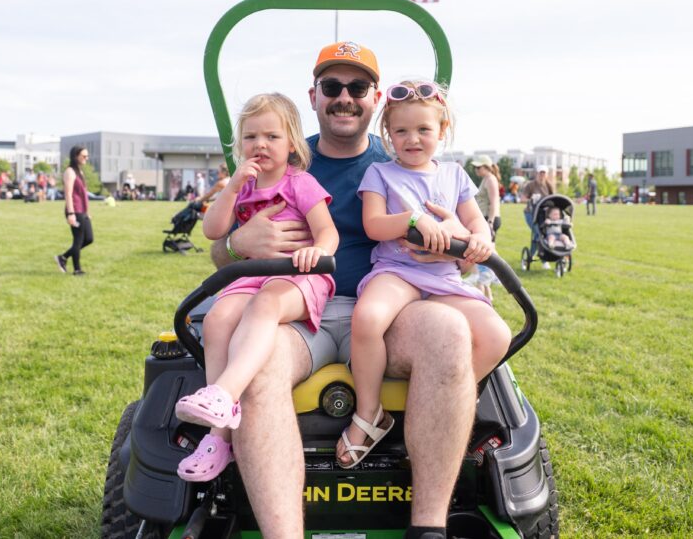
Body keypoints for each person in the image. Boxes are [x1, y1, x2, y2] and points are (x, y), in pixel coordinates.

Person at [211, 41, 500, 538]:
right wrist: (238, 244)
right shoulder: (281, 159)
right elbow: (218, 250)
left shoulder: (407, 161)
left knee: (450, 333)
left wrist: (456, 240)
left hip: (393, 308)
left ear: (375, 99)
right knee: (257, 362)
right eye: (332, 86)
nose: (344, 97)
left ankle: (428, 527)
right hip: (298, 312)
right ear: (314, 96)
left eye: (358, 87)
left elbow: (470, 238)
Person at [336, 81, 508, 469]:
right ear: (388, 133)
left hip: (443, 277)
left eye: (423, 130)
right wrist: (413, 219)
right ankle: (369, 412)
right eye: (401, 131)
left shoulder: (455, 175)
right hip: (398, 271)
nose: (412, 139)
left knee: (497, 335)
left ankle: (443, 405)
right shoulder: (380, 174)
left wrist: (479, 240)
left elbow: (476, 224)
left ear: (442, 130)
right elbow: (374, 225)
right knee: (368, 318)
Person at [175, 93, 339, 483]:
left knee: (264, 305)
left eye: (271, 136)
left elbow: (328, 232)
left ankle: (225, 391)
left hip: (298, 276)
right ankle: (219, 437)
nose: (260, 145)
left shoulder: (300, 183)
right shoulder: (243, 187)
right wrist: (231, 188)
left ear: (292, 143)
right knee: (216, 320)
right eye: (250, 137)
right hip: (252, 274)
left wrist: (317, 251)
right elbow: (213, 230)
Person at [55, 146, 93, 275]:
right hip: (75, 210)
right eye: (84, 156)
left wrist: (87, 211)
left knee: (89, 239)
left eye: (87, 156)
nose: (86, 158)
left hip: (82, 210)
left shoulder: (80, 172)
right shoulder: (70, 172)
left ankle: (63, 257)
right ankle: (77, 270)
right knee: (78, 240)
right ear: (76, 156)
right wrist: (71, 213)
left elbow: (83, 194)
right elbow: (68, 194)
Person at [468, 155, 502, 300]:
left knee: (487, 250)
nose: (476, 170)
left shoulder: (491, 180)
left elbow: (494, 202)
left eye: (478, 167)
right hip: (485, 218)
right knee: (489, 249)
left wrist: (490, 222)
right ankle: (490, 276)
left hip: (489, 218)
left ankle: (494, 275)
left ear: (486, 167)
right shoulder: (485, 179)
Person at [520, 166, 555, 268]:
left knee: (540, 235)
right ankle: (543, 260)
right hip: (531, 213)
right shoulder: (530, 185)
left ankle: (532, 256)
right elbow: (522, 199)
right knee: (538, 233)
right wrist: (531, 199)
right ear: (537, 173)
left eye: (544, 173)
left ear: (546, 174)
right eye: (540, 173)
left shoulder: (549, 185)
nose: (542, 175)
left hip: (543, 214)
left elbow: (553, 199)